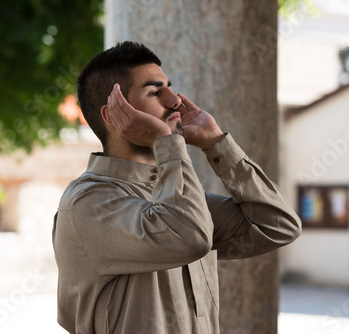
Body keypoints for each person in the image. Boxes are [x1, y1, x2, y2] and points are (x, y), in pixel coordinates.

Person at [52, 41, 301, 334]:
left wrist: (216, 142)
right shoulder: (87, 204)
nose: (175, 100)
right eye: (155, 92)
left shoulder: (173, 194)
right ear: (113, 116)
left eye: (170, 87)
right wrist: (166, 143)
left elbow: (279, 225)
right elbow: (189, 236)